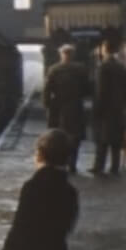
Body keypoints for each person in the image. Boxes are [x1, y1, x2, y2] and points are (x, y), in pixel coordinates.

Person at [43, 44, 89, 173]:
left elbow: (47, 90)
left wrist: (47, 105)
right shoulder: (81, 69)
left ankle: (60, 162)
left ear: (61, 54)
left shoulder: (54, 69)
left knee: (58, 136)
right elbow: (87, 88)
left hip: (58, 107)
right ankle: (72, 164)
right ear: (73, 55)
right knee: (75, 137)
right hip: (75, 106)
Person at [89, 38, 126, 175]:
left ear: (104, 49)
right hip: (118, 108)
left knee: (102, 139)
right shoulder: (122, 67)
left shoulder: (103, 67)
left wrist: (96, 109)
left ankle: (99, 166)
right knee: (116, 139)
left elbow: (100, 90)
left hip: (105, 109)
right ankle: (115, 167)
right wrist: (123, 104)